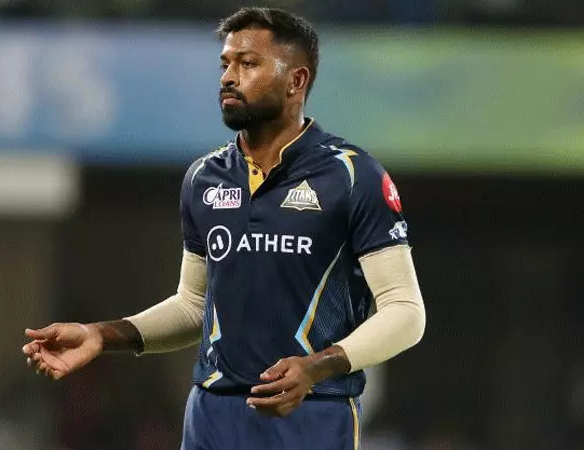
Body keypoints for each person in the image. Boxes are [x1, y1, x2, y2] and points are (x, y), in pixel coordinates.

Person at [22, 7, 426, 449]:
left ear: (296, 81)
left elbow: (405, 311)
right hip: (212, 417)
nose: (228, 77)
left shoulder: (353, 176)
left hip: (309, 413)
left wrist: (318, 367)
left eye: (247, 64)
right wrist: (101, 335)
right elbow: (194, 305)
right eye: (226, 64)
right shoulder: (204, 178)